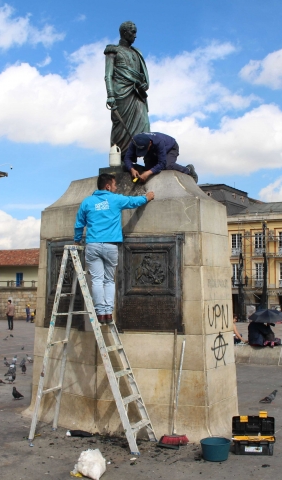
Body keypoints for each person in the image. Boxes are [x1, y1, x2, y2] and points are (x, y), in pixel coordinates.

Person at [74, 173, 154, 324]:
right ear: (108, 186)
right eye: (115, 185)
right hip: (111, 245)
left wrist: (77, 240)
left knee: (97, 280)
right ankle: (108, 312)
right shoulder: (115, 199)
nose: (116, 188)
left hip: (93, 245)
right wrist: (147, 197)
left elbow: (79, 223)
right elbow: (133, 201)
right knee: (109, 281)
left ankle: (100, 313)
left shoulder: (87, 202)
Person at [104, 21, 150, 150]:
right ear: (124, 33)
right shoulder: (113, 50)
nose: (135, 36)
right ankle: (120, 156)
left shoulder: (137, 53)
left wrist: (143, 84)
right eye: (133, 32)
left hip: (137, 93)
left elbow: (143, 76)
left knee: (144, 125)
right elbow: (108, 75)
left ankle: (144, 155)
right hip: (121, 93)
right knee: (120, 127)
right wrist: (110, 95)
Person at [123, 132, 197, 183]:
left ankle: (188, 169)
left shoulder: (159, 141)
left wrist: (148, 173)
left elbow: (162, 163)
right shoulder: (134, 141)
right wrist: (131, 169)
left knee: (167, 165)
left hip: (170, 148)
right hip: (153, 151)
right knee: (149, 168)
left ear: (150, 143)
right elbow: (127, 158)